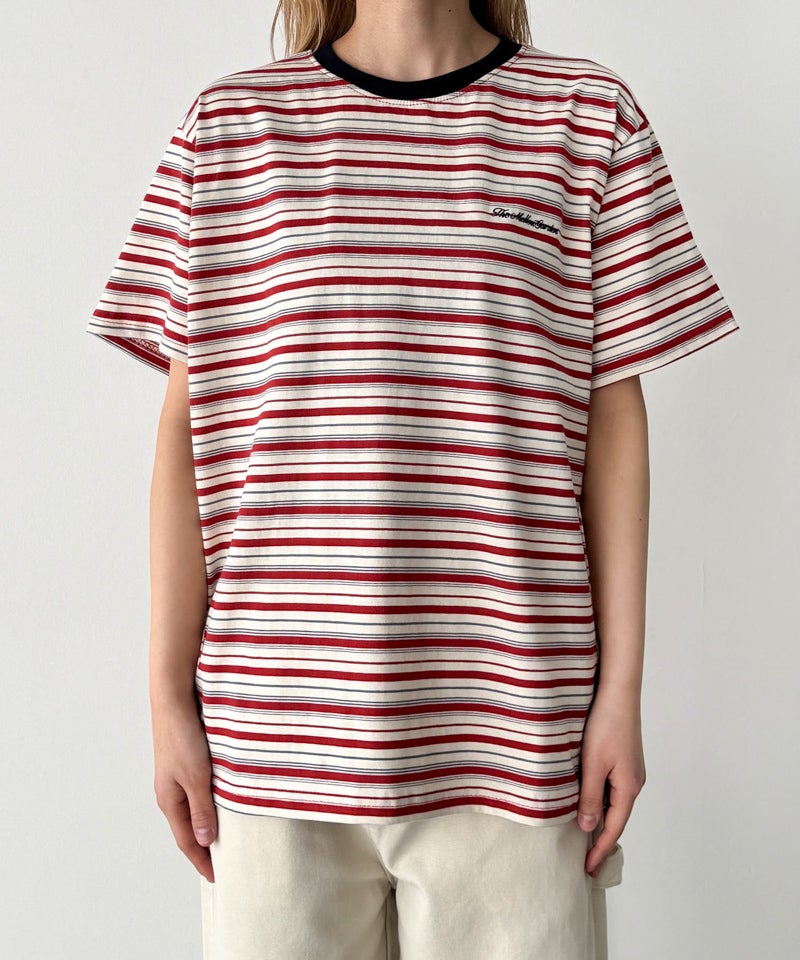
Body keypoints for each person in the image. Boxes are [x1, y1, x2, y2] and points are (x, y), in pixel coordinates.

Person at [85, 1, 740, 957]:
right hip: (271, 731)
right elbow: (185, 433)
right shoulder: (232, 127)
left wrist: (620, 697)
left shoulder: (586, 117)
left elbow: (615, 428)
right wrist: (165, 702)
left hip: (517, 726)